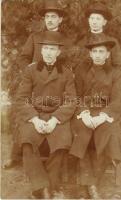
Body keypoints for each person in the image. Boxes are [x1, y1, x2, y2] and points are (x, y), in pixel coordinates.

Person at [3, 0, 68, 169]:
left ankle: (57, 156)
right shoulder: (35, 37)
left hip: (56, 85)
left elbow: (69, 61)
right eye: (47, 16)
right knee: (23, 111)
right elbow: (24, 57)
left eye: (54, 17)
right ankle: (16, 155)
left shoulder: (65, 39)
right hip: (34, 83)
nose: (50, 20)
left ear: (60, 19)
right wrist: (30, 70)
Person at [14, 31, 76, 199]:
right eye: (46, 48)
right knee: (27, 140)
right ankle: (44, 188)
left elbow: (71, 101)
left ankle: (45, 187)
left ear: (59, 52)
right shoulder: (31, 70)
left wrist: (55, 120)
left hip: (57, 117)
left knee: (62, 141)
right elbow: (20, 99)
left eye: (53, 49)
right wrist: (34, 119)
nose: (49, 52)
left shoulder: (66, 72)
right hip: (35, 115)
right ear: (41, 51)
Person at [69, 34, 121, 199]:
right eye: (95, 51)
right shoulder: (81, 70)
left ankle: (87, 184)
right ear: (90, 54)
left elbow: (119, 100)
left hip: (105, 113)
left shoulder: (115, 73)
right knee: (81, 132)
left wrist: (103, 116)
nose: (98, 55)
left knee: (107, 132)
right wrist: (84, 113)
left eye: (102, 52)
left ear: (108, 54)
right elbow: (75, 96)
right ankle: (90, 185)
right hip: (84, 112)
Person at [75, 0, 121, 78]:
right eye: (92, 18)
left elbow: (119, 68)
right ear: (88, 20)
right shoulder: (81, 42)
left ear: (104, 22)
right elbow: (76, 68)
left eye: (98, 19)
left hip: (107, 85)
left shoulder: (113, 42)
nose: (94, 22)